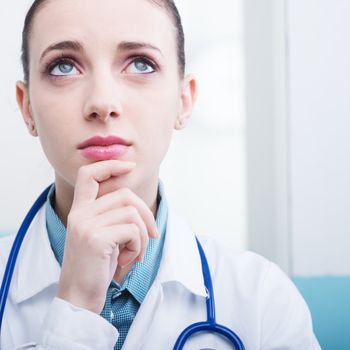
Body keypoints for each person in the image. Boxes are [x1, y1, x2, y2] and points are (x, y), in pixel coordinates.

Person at [0, 0, 321, 349]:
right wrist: (76, 305)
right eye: (64, 67)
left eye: (141, 63)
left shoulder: (262, 300)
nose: (103, 102)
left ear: (184, 100)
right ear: (26, 106)